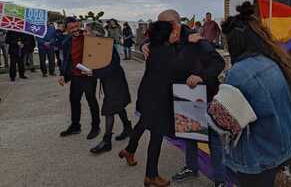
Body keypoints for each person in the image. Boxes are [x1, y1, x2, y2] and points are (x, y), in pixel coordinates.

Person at [119, 10, 225, 187]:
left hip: (199, 94)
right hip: (176, 94)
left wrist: (201, 76)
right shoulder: (165, 37)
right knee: (189, 132)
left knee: (211, 136)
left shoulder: (195, 38)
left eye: (163, 24)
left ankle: (220, 179)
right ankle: (191, 167)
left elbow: (218, 63)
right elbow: (157, 46)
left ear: (175, 24)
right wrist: (144, 43)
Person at [220, 1, 291, 187]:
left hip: (257, 155)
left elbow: (224, 121)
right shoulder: (273, 62)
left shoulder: (240, 72)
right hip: (281, 145)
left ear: (235, 43)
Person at [82, 22, 132, 154]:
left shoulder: (106, 44)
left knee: (109, 109)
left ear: (95, 32)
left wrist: (94, 72)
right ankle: (127, 127)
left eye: (86, 31)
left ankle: (107, 141)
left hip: (115, 81)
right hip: (108, 81)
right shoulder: (94, 45)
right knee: (118, 106)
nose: (84, 33)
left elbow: (113, 65)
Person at [58, 17, 101, 140]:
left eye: (77, 26)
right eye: (72, 28)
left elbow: (103, 44)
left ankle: (95, 126)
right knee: (74, 100)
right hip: (76, 76)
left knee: (91, 100)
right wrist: (62, 74)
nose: (75, 30)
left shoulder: (88, 36)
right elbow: (66, 60)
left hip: (89, 75)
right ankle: (75, 126)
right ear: (66, 29)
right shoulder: (66, 42)